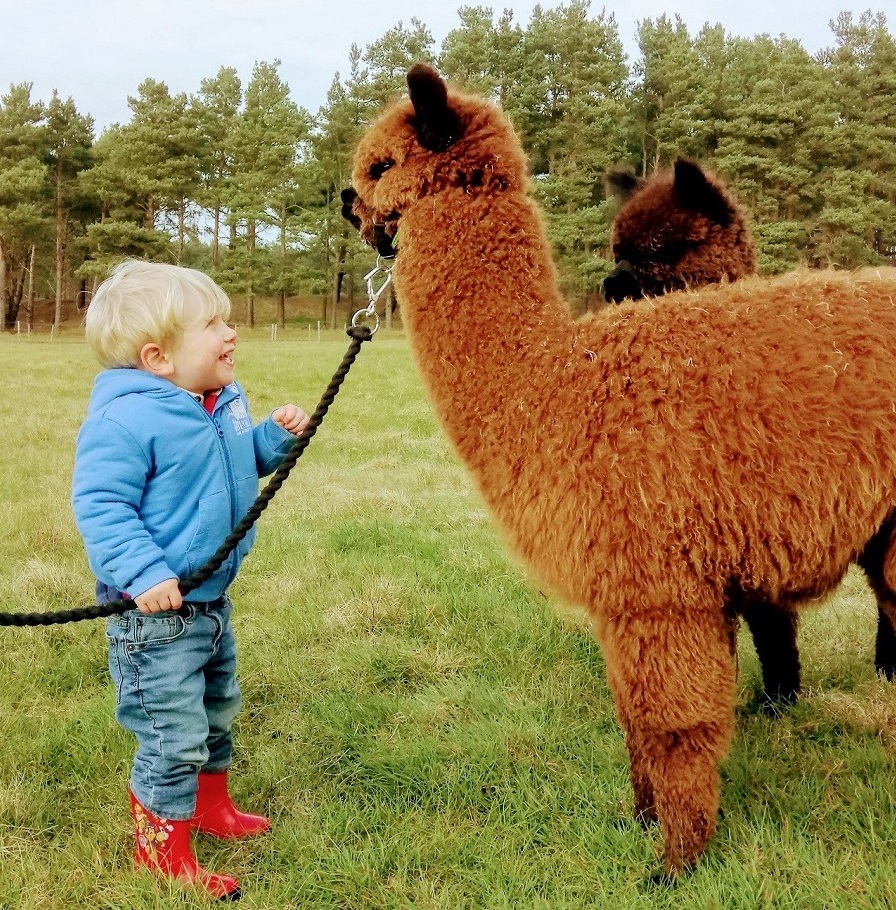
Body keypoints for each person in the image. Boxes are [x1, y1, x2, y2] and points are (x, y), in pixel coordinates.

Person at [72, 260, 309, 900]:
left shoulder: (220, 400)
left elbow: (235, 464)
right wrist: (144, 573)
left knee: (215, 713)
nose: (231, 333)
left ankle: (210, 809)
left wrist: (272, 440)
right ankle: (161, 854)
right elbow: (102, 507)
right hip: (152, 618)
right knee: (171, 735)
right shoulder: (125, 422)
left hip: (209, 602)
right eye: (213, 325)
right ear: (159, 357)